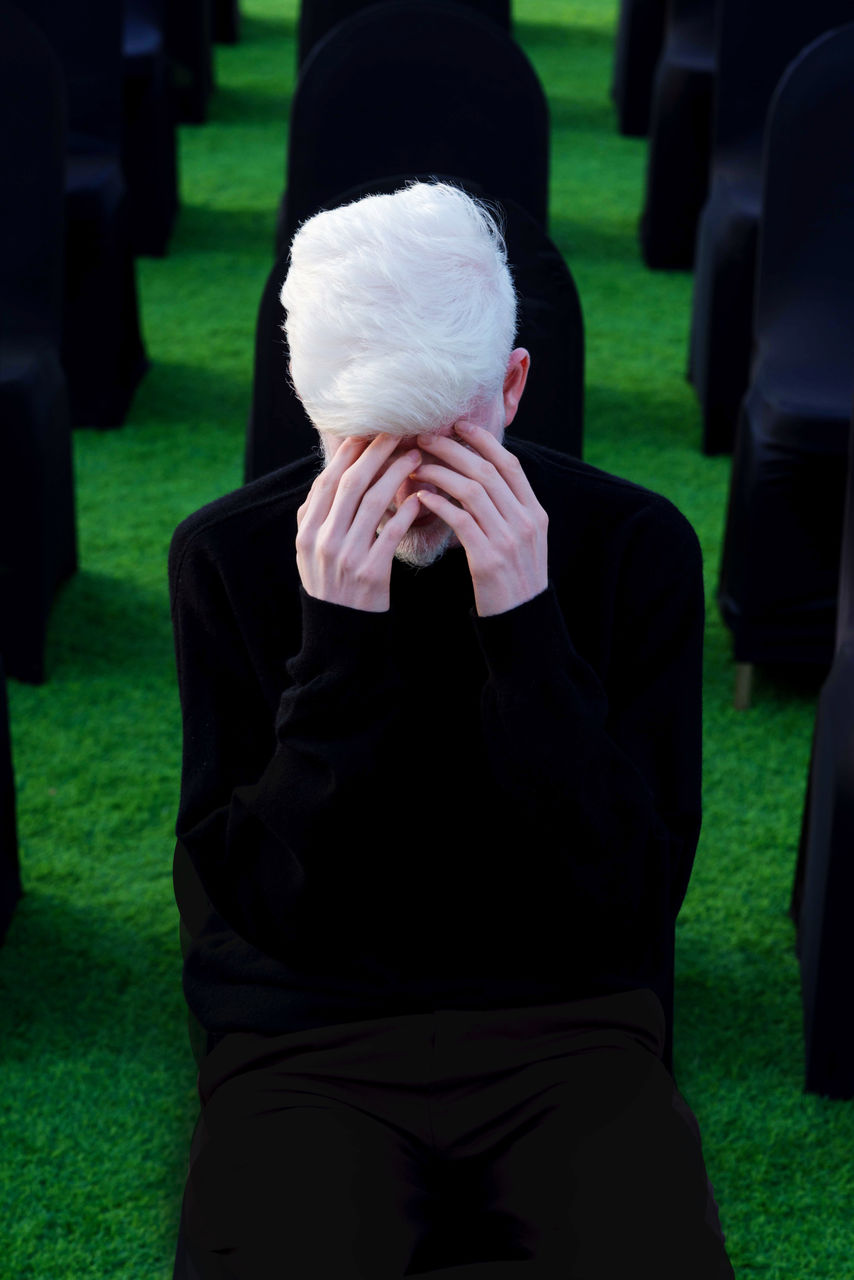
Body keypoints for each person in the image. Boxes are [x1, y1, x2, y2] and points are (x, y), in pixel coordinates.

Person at [169, 181, 734, 1279]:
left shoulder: (635, 550)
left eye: (449, 435)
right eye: (369, 443)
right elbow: (261, 908)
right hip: (302, 1031)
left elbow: (627, 899)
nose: (416, 485)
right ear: (309, 404)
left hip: (569, 1022)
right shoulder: (228, 559)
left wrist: (525, 627)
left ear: (512, 385)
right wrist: (335, 639)